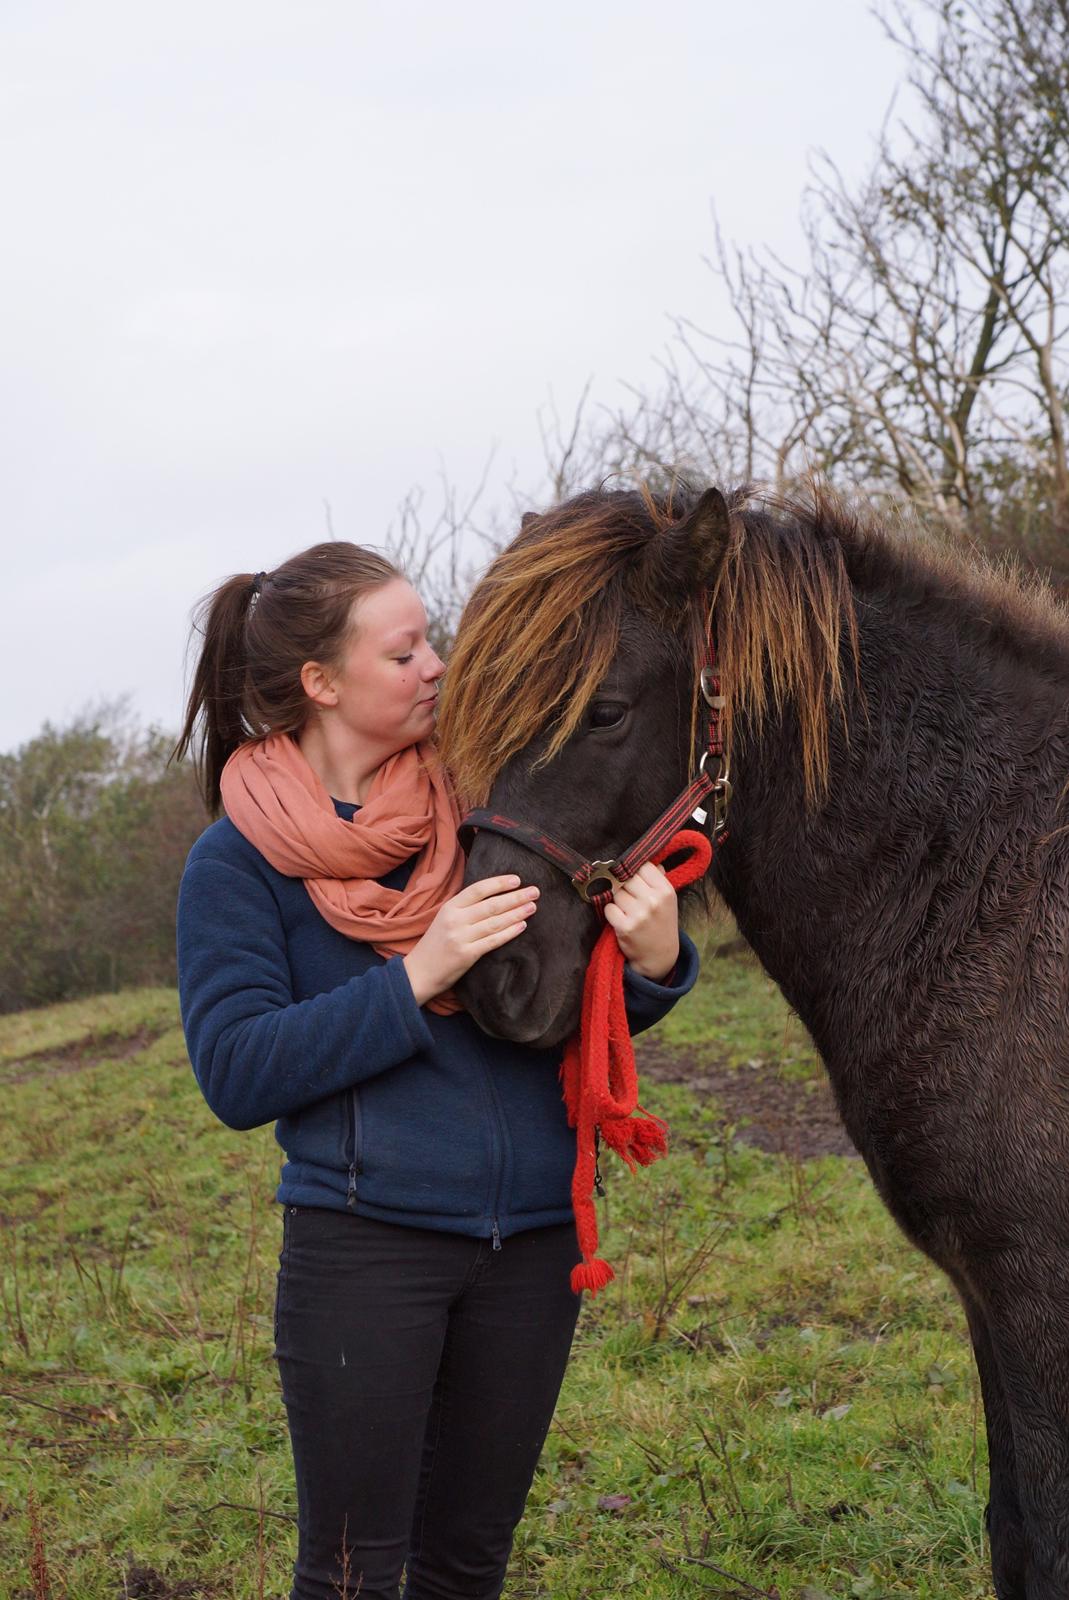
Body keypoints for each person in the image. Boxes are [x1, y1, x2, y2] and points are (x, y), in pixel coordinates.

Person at [173, 541, 699, 1600]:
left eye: (433, 640)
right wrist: (416, 975)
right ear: (322, 683)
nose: (437, 666)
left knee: (467, 1564)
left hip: (535, 1245)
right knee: (354, 1573)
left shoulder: (491, 805)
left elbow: (555, 1003)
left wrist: (654, 965)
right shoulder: (236, 862)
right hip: (366, 1254)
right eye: (404, 650)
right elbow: (236, 1069)